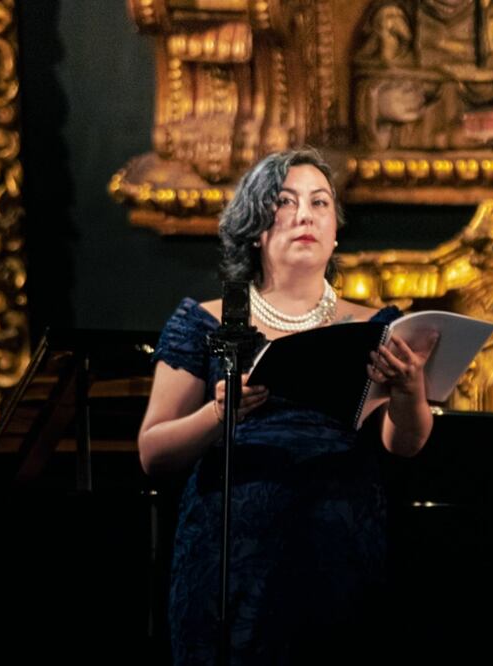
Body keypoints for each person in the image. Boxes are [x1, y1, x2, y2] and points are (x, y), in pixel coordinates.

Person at [138, 148, 435, 664]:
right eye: (285, 201)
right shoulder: (210, 324)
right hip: (231, 564)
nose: (305, 215)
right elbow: (152, 451)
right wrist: (218, 415)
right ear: (257, 227)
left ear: (336, 230)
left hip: (341, 558)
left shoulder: (377, 324)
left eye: (320, 203)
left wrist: (410, 391)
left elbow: (404, 444)